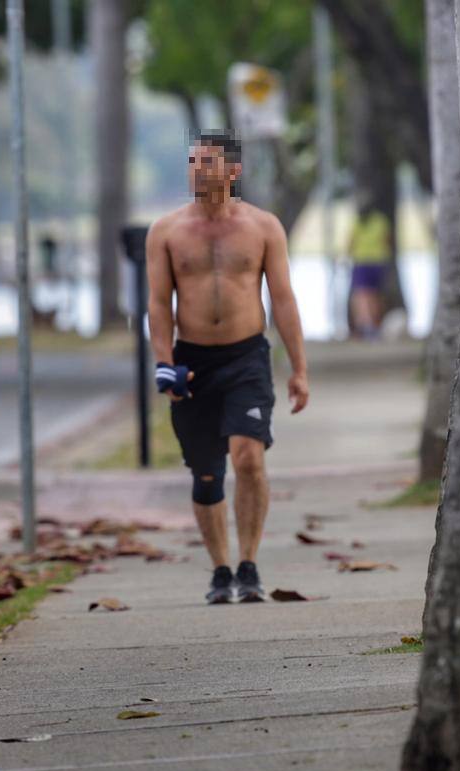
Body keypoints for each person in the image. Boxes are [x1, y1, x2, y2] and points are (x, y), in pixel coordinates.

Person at [146, 130, 310, 604]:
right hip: (192, 361)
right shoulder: (167, 232)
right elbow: (159, 304)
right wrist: (164, 363)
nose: (197, 168)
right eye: (192, 159)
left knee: (249, 458)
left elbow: (282, 299)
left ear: (233, 172)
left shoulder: (262, 227)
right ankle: (221, 570)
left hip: (246, 359)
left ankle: (249, 563)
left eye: (208, 161)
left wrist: (299, 368)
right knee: (207, 474)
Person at [346, 207, 392, 339]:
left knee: (362, 295)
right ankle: (374, 326)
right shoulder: (380, 221)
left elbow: (350, 243)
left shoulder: (357, 221)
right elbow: (387, 241)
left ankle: (365, 325)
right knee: (374, 296)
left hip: (361, 262)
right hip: (378, 262)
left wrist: (347, 257)